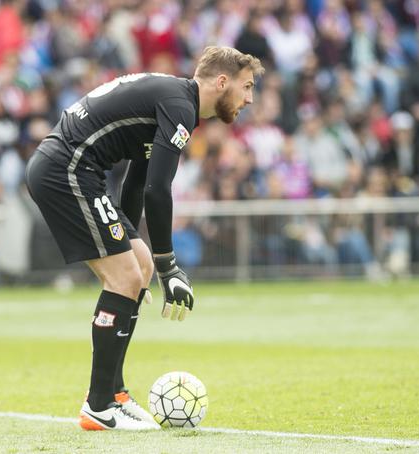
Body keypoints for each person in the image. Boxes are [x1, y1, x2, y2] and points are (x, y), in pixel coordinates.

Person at [25, 46, 264, 431]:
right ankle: (99, 405)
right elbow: (158, 189)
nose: (250, 98)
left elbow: (137, 181)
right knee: (126, 276)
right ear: (222, 82)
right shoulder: (180, 106)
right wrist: (170, 267)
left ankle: (114, 394)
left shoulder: (172, 98)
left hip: (71, 168)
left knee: (138, 266)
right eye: (247, 86)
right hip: (67, 168)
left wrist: (139, 254)